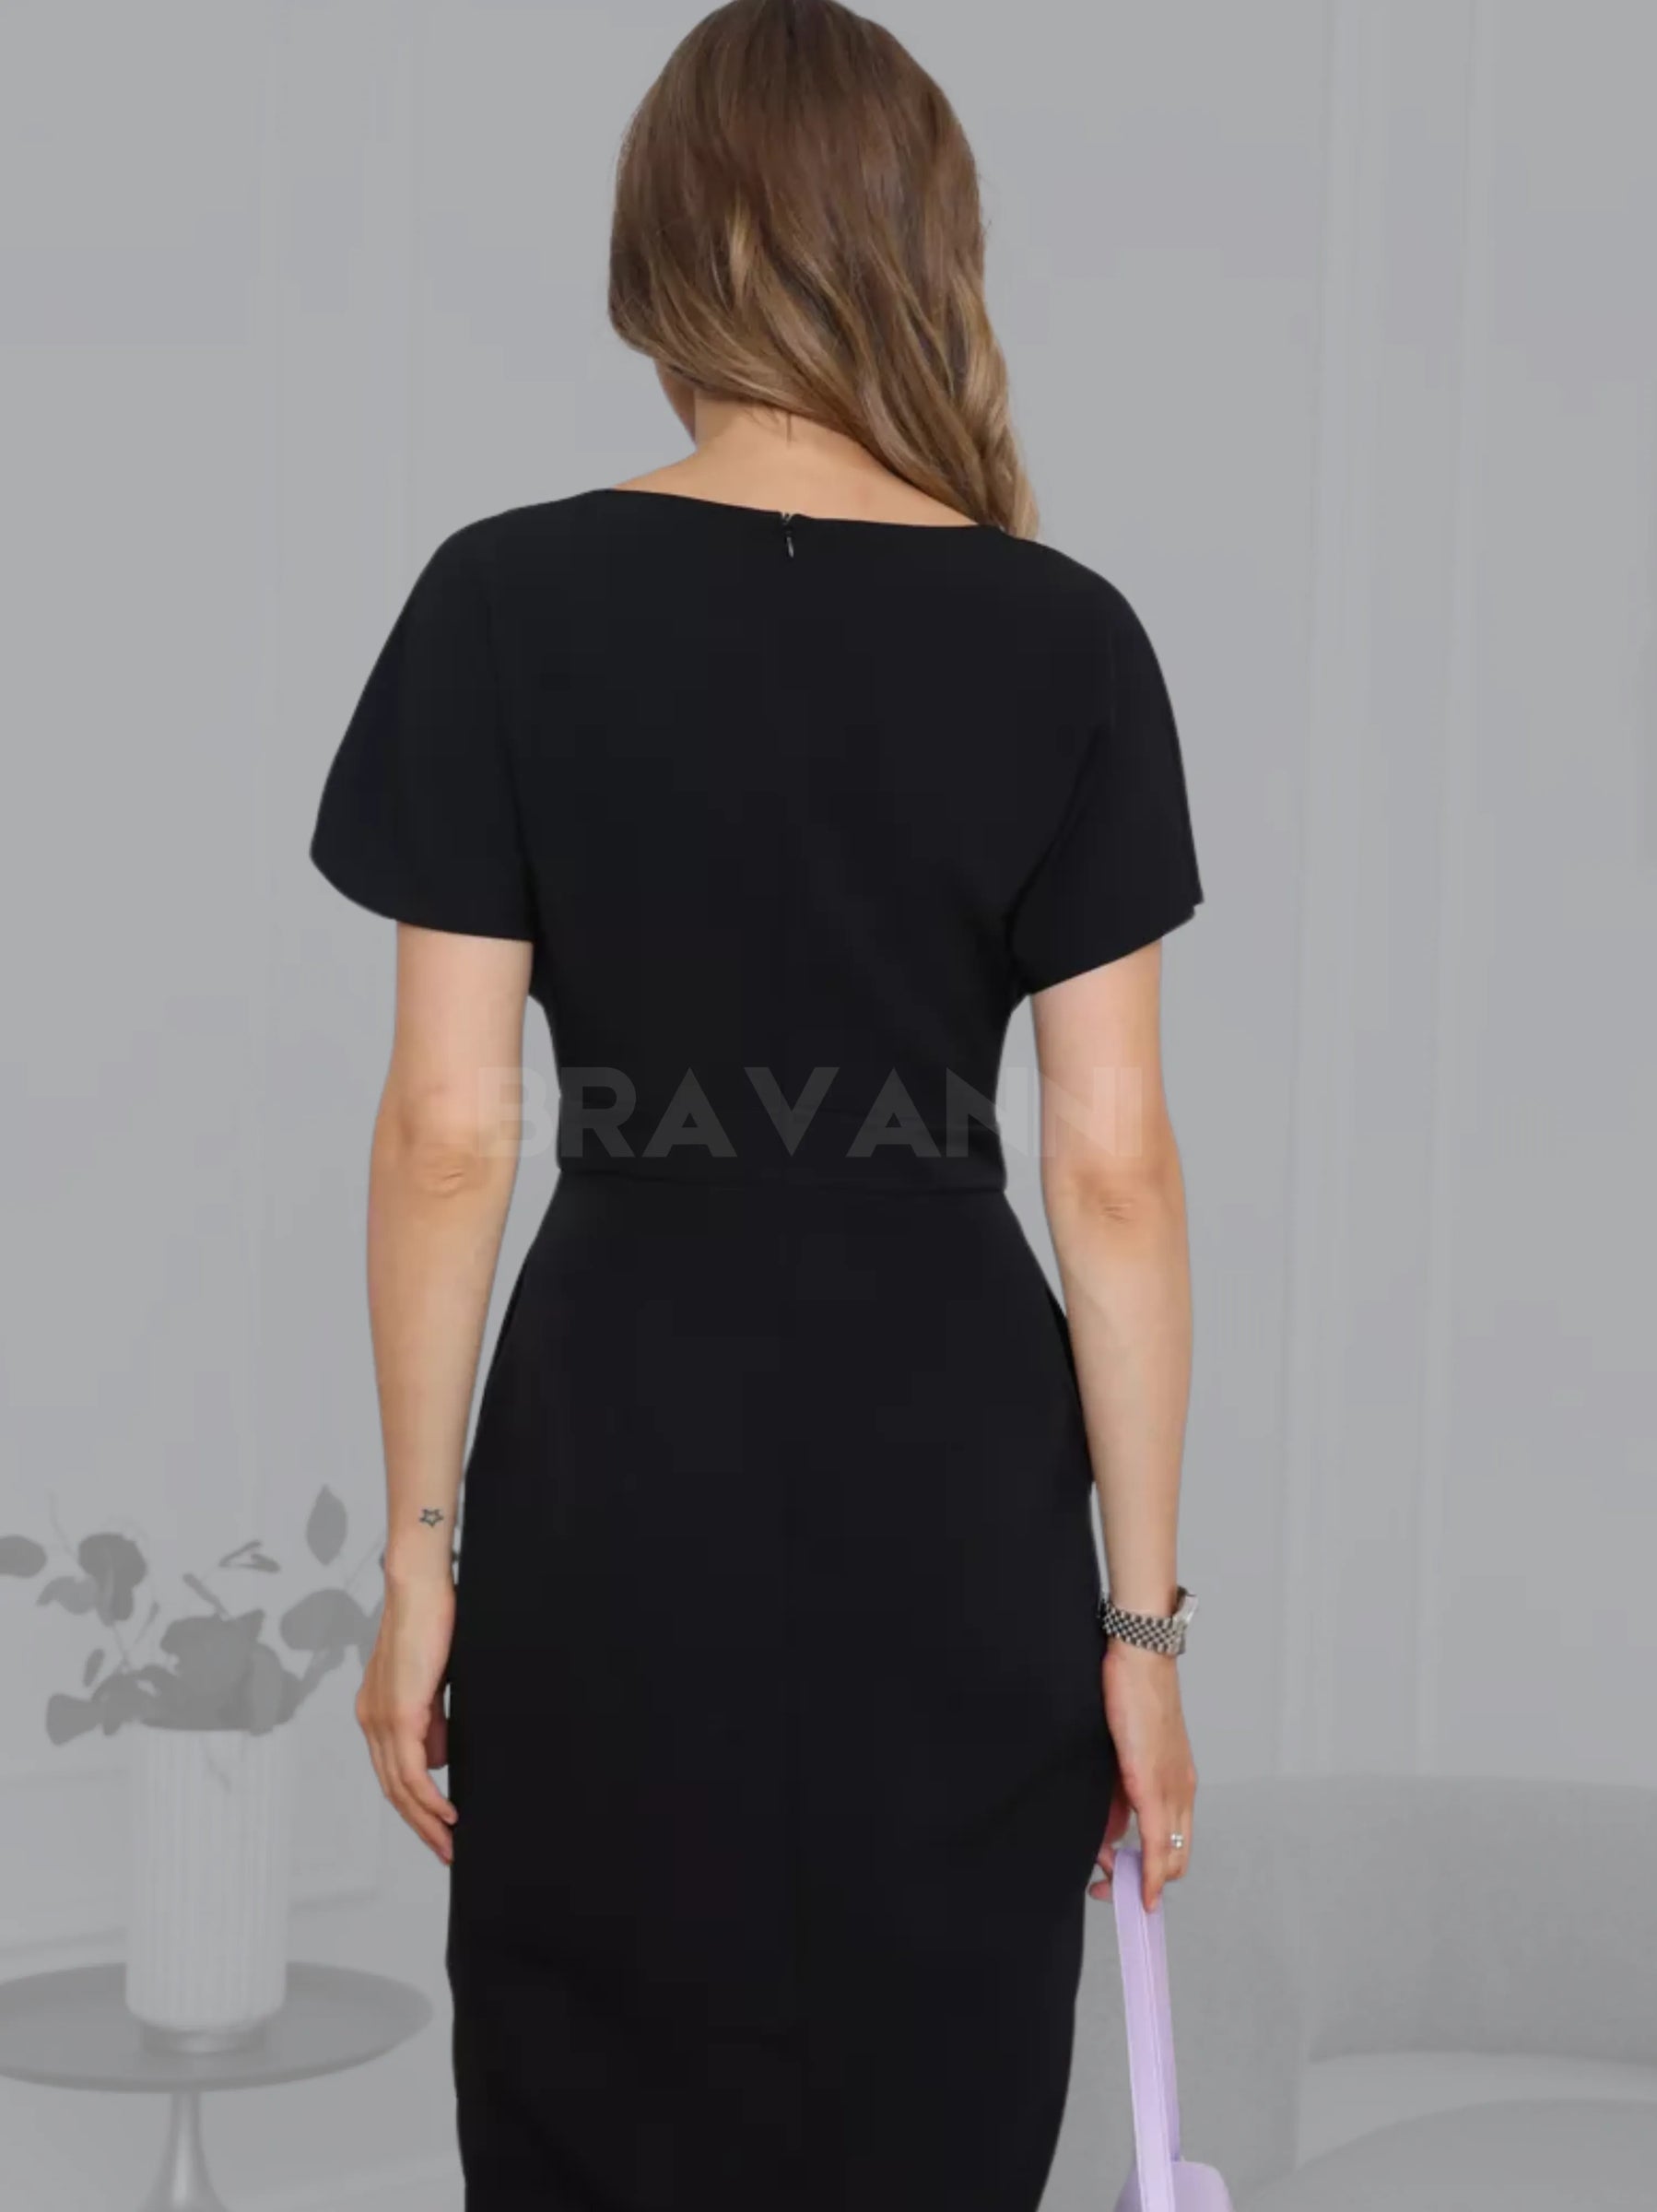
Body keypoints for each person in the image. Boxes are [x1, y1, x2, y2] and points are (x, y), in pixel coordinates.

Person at [310, 3, 1205, 2206]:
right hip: (958, 1486)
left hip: (616, 1465)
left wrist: (420, 1559)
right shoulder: (1068, 637)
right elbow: (1109, 1165)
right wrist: (1142, 1633)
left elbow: (450, 1128)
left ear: (663, 245)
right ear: (920, 243)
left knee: (597, 2116)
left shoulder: (503, 599)